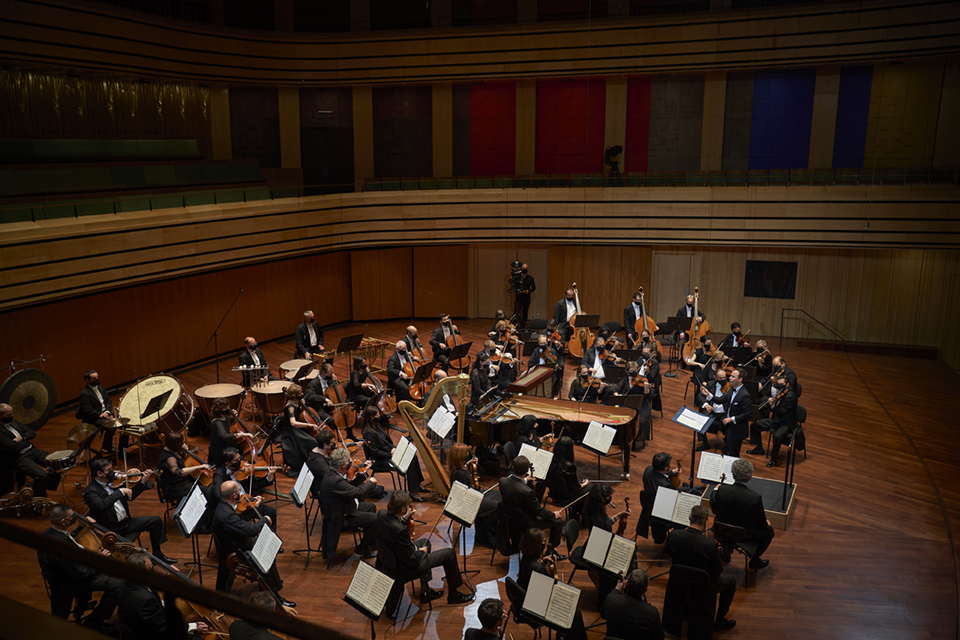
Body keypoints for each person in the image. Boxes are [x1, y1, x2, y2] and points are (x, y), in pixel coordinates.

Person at [377, 491, 475, 608]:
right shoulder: (400, 531)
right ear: (403, 509)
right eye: (407, 506)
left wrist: (404, 519)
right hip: (405, 568)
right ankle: (454, 596)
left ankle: (425, 591)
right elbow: (412, 560)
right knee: (449, 554)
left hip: (394, 560)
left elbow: (393, 530)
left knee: (426, 542)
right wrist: (420, 552)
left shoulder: (382, 514)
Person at [38, 504, 122, 635]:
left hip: (68, 575)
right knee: (120, 587)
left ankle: (85, 604)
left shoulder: (50, 533)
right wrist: (98, 560)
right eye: (72, 517)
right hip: (70, 584)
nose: (75, 519)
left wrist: (80, 527)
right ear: (63, 521)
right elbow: (81, 573)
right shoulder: (60, 548)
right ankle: (94, 621)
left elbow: (71, 540)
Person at [213, 480, 295, 607]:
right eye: (239, 492)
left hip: (236, 541)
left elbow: (240, 522)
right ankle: (274, 595)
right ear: (234, 495)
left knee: (268, 547)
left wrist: (254, 507)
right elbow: (251, 530)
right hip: (237, 550)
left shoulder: (223, 505)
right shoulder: (227, 515)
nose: (241, 495)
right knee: (267, 552)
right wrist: (265, 520)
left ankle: (269, 583)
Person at [83, 457, 176, 563]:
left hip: (125, 523)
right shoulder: (91, 491)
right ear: (100, 473)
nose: (113, 472)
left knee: (155, 521)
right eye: (109, 470)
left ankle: (158, 555)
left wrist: (142, 482)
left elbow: (129, 496)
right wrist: (120, 492)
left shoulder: (114, 482)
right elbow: (101, 505)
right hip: (111, 530)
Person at [666, 505, 737, 632]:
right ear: (705, 523)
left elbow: (669, 553)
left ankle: (686, 609)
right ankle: (720, 621)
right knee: (731, 582)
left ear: (689, 518)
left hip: (679, 581)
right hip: (702, 586)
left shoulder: (674, 535)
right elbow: (717, 571)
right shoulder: (709, 545)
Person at [118, 552, 209, 639]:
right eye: (150, 567)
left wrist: (166, 570)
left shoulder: (128, 581)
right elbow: (163, 626)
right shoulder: (146, 600)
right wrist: (192, 626)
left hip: (143, 623)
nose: (153, 569)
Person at [517, 528, 586, 640]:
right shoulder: (538, 569)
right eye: (543, 543)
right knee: (575, 612)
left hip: (528, 598)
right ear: (538, 546)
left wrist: (543, 560)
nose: (545, 545)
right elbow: (549, 591)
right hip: (536, 606)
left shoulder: (525, 558)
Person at [709, 458, 775, 569]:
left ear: (733, 474)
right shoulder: (754, 498)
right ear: (749, 477)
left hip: (721, 530)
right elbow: (761, 524)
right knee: (769, 532)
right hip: (744, 535)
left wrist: (716, 489)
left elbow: (713, 502)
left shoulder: (722, 490)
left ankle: (726, 551)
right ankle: (754, 559)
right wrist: (766, 523)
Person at [320, 447, 379, 558]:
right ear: (342, 465)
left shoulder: (332, 473)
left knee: (370, 507)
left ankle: (367, 546)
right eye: (348, 461)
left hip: (345, 507)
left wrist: (364, 473)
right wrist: (371, 482)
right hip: (342, 516)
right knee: (377, 519)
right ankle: (362, 548)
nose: (351, 463)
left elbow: (349, 487)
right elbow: (358, 492)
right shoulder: (335, 481)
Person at [361, 405, 425, 501]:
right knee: (410, 462)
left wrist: (393, 448)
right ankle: (413, 492)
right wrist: (391, 454)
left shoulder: (376, 425)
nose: (380, 416)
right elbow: (375, 453)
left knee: (413, 457)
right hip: (380, 460)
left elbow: (388, 440)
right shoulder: (368, 433)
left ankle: (417, 485)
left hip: (388, 455)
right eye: (377, 414)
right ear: (371, 417)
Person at [500, 456, 565, 550]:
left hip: (508, 519)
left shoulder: (502, 481)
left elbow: (514, 484)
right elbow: (539, 511)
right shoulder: (528, 492)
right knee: (558, 521)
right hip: (526, 523)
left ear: (513, 468)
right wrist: (553, 515)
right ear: (527, 470)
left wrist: (525, 480)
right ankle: (551, 552)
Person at [209, 447, 279, 530]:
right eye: (236, 460)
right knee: (248, 527)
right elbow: (219, 495)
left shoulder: (243, 469)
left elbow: (255, 485)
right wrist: (240, 501)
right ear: (228, 464)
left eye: (239, 458)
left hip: (249, 502)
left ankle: (269, 539)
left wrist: (269, 477)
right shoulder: (219, 475)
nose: (240, 461)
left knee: (272, 512)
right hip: (236, 510)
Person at [0, 402, 60, 497]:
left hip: (32, 450)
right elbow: (13, 446)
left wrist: (22, 438)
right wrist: (27, 440)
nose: (11, 416)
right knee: (41, 476)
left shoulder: (14, 422)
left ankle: (42, 489)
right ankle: (38, 500)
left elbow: (31, 432)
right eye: (8, 415)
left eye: (12, 414)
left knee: (57, 464)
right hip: (19, 457)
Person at [747, 374, 798, 467]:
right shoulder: (780, 392)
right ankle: (759, 448)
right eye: (778, 384)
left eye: (781, 384)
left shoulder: (790, 396)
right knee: (754, 425)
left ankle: (774, 459)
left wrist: (772, 406)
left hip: (786, 423)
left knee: (777, 436)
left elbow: (782, 412)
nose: (779, 386)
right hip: (776, 420)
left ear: (787, 384)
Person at [600, 569, 664, 640]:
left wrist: (616, 589)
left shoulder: (611, 600)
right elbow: (659, 638)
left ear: (626, 584)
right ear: (645, 590)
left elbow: (603, 615)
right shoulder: (651, 613)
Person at [78, 369, 127, 455]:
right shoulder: (84, 394)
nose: (97, 379)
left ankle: (122, 450)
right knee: (111, 426)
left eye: (97, 377)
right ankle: (107, 447)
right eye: (94, 378)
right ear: (87, 380)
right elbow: (88, 411)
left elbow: (108, 401)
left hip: (105, 414)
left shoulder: (100, 387)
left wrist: (108, 413)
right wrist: (102, 415)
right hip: (94, 418)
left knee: (125, 424)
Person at [638, 452, 681, 544]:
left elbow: (658, 477)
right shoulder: (667, 486)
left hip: (648, 509)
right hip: (661, 514)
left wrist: (671, 473)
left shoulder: (648, 470)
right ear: (666, 468)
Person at [157, 432, 210, 503]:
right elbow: (178, 472)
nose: (182, 444)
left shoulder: (173, 449)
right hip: (176, 486)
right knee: (206, 490)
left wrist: (186, 452)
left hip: (183, 480)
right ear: (174, 444)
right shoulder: (169, 458)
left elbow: (181, 462)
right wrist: (199, 467)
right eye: (180, 443)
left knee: (204, 484)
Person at [276, 384, 318, 473]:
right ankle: (309, 465)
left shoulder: (297, 402)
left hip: (298, 429)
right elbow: (293, 423)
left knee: (313, 438)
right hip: (291, 431)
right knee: (312, 441)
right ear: (295, 396)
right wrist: (308, 425)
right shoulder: (290, 407)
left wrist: (301, 405)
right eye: (300, 393)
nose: (302, 394)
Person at [545, 436, 590, 516]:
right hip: (566, 495)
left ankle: (575, 512)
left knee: (581, 482)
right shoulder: (569, 466)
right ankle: (582, 514)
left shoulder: (550, 460)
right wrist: (585, 484)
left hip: (554, 492)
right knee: (591, 488)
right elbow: (576, 488)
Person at [209, 397, 256, 467]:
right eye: (226, 408)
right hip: (223, 451)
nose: (228, 408)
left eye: (228, 406)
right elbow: (224, 436)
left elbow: (232, 427)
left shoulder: (226, 417)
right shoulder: (216, 422)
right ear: (219, 410)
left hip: (231, 446)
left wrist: (234, 418)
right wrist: (242, 434)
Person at [717, 368, 752, 457]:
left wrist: (731, 419)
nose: (729, 378)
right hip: (729, 426)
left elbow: (748, 414)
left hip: (737, 428)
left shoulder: (745, 395)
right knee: (726, 450)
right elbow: (722, 400)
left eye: (733, 376)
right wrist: (708, 395)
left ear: (740, 379)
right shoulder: (732, 389)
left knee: (733, 453)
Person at [695, 367, 728, 451]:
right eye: (720, 378)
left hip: (724, 413)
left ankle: (727, 445)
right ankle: (705, 443)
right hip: (712, 411)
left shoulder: (730, 387)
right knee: (700, 420)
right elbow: (700, 396)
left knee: (729, 424)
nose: (723, 379)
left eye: (724, 377)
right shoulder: (710, 384)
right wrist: (706, 405)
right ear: (715, 378)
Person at [528, 333, 564, 399]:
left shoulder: (552, 351)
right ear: (538, 343)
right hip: (538, 371)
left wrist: (555, 367)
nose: (543, 345)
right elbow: (530, 362)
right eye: (541, 343)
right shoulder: (536, 351)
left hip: (549, 372)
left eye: (544, 343)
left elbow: (557, 362)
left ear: (547, 342)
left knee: (553, 379)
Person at [303, 362, 338, 427]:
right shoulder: (314, 383)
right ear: (323, 373)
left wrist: (336, 382)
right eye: (330, 374)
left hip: (329, 406)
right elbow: (310, 396)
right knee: (331, 420)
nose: (332, 375)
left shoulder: (330, 380)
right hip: (318, 407)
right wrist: (325, 399)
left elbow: (336, 391)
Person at [514, 263, 536, 330]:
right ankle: (515, 325)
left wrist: (528, 291)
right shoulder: (517, 277)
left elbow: (534, 287)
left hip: (526, 297)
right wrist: (518, 291)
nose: (525, 270)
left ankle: (523, 325)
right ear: (521, 269)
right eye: (523, 269)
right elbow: (514, 286)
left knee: (525, 312)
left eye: (526, 269)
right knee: (516, 311)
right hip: (519, 297)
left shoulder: (530, 278)